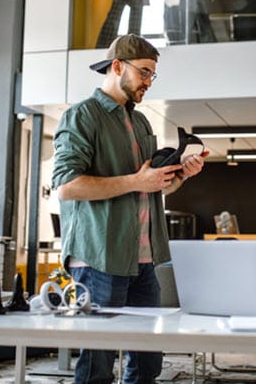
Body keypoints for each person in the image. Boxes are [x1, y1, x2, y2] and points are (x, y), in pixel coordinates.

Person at [52, 33, 206, 383]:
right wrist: (138, 181)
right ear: (117, 66)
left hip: (143, 261)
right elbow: (67, 186)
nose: (149, 82)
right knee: (97, 366)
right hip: (98, 260)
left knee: (148, 364)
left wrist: (180, 175)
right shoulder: (82, 116)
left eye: (153, 74)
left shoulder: (140, 122)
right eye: (145, 72)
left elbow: (149, 188)